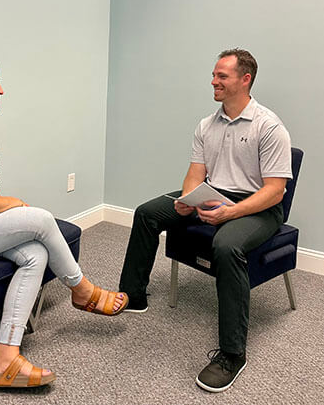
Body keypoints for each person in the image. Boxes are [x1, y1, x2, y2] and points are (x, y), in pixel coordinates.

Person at [0, 56, 128, 389]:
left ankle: (5, 361)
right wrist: (13, 205)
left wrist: (9, 211)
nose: (1, 90)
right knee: (42, 219)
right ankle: (82, 290)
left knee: (36, 254)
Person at [118, 49, 292, 393]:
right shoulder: (206, 125)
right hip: (213, 193)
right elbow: (196, 173)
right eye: (214, 75)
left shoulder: (269, 127)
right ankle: (132, 294)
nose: (213, 81)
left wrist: (229, 213)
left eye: (222, 76)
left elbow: (274, 191)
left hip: (258, 206)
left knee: (225, 245)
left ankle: (232, 354)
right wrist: (186, 200)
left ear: (245, 80)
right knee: (148, 212)